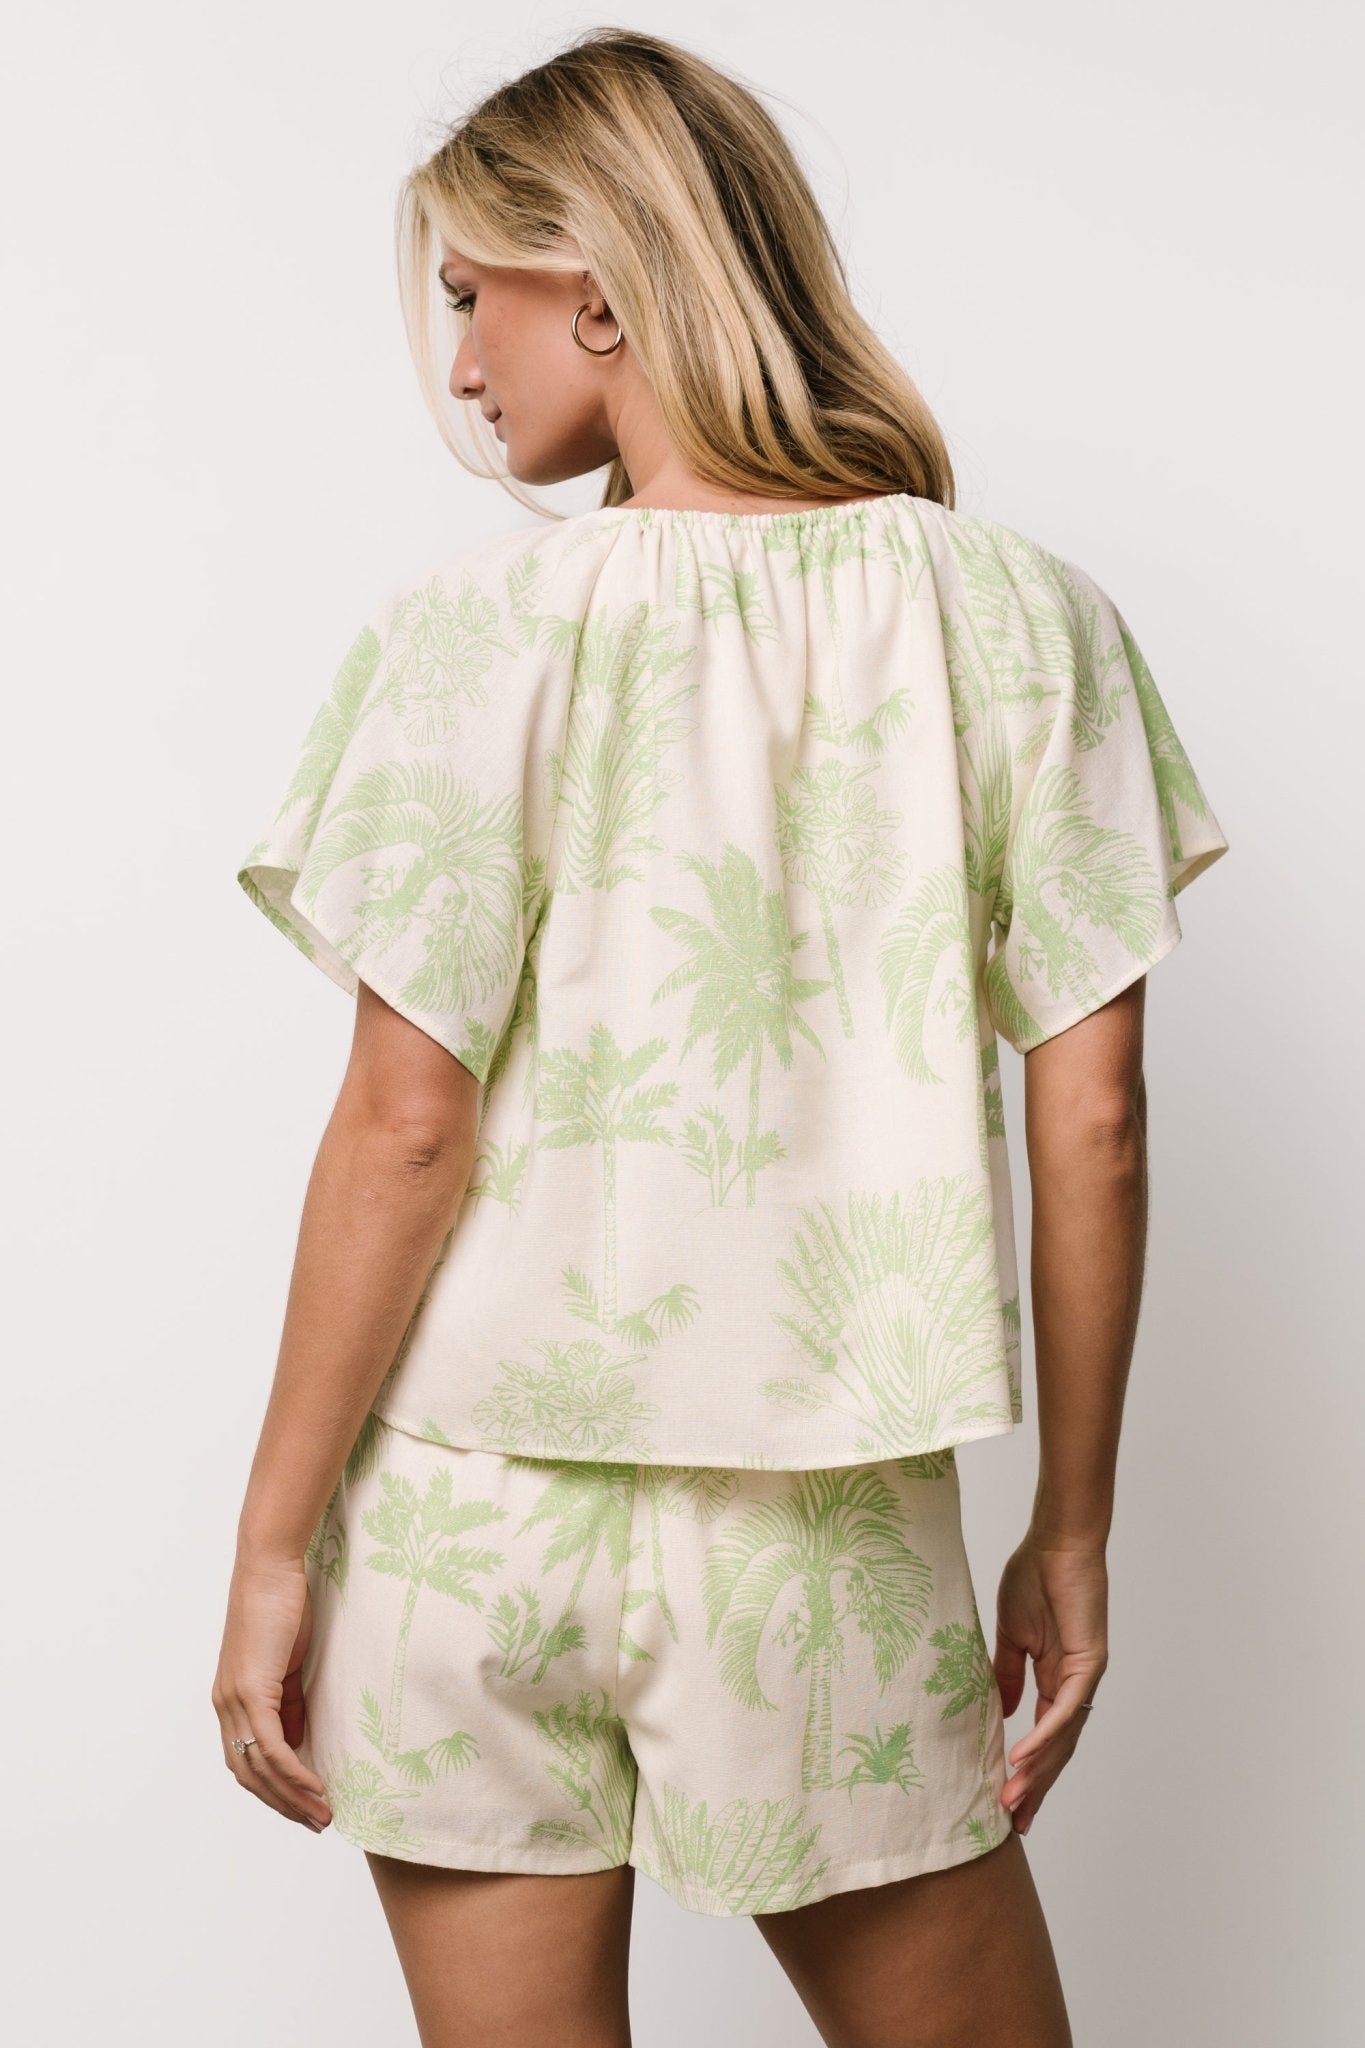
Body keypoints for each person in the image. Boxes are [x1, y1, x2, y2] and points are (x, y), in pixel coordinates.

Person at [213, 26, 1228, 2047]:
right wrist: (1071, 1528)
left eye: (470, 296)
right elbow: (1094, 1119)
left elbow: (404, 1126)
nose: (459, 364)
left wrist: (268, 1544)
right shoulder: (1017, 621)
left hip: (463, 1510)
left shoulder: (467, 635)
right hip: (815, 1519)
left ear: (598, 289)